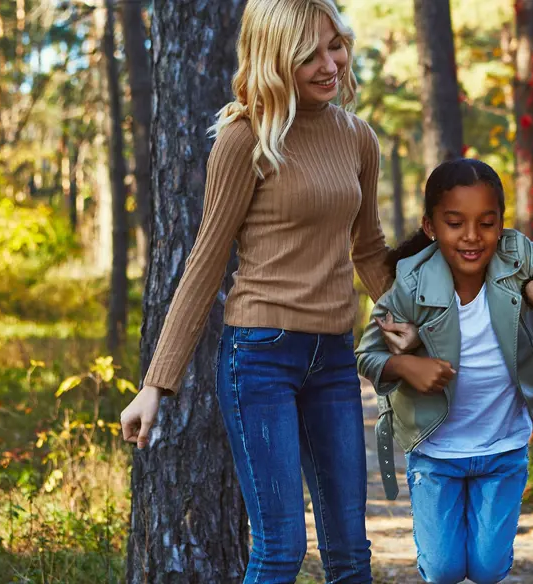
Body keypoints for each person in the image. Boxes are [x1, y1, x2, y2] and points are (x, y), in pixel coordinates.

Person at [118, 1, 393, 582]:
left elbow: (368, 249)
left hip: (334, 359)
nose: (330, 64)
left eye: (335, 46)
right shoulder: (245, 139)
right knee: (281, 547)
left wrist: (404, 317)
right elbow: (205, 262)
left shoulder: (358, 139)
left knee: (350, 552)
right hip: (260, 358)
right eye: (308, 55)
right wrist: (155, 385)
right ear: (274, 60)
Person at [356, 158, 533, 584]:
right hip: (435, 449)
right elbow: (367, 354)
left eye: (487, 223)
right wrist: (406, 365)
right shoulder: (410, 281)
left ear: (502, 224)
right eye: (455, 223)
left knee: (489, 568)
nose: (472, 237)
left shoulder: (519, 256)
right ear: (431, 226)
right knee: (442, 570)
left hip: (503, 446)